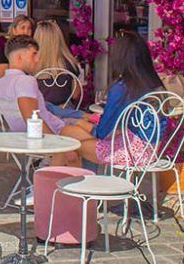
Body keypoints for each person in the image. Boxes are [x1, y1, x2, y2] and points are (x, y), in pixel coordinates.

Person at [61, 32, 165, 167]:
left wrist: (93, 125)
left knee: (69, 141)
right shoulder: (153, 84)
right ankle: (73, 182)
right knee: (71, 130)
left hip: (130, 152)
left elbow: (102, 132)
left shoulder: (123, 87)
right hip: (150, 149)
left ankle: (78, 183)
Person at [0, 35, 92, 167]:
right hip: (48, 134)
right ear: (19, 57)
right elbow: (31, 118)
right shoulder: (25, 81)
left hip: (21, 136)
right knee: (90, 141)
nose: (37, 59)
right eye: (33, 55)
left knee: (84, 134)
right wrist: (54, 143)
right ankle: (88, 182)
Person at [33, 19, 83, 115]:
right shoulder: (70, 63)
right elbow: (75, 95)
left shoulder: (32, 64)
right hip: (65, 111)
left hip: (39, 112)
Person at [0, 14, 36, 78]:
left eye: (29, 28)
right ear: (14, 30)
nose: (26, 31)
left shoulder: (33, 49)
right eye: (23, 28)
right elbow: (1, 72)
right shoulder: (7, 48)